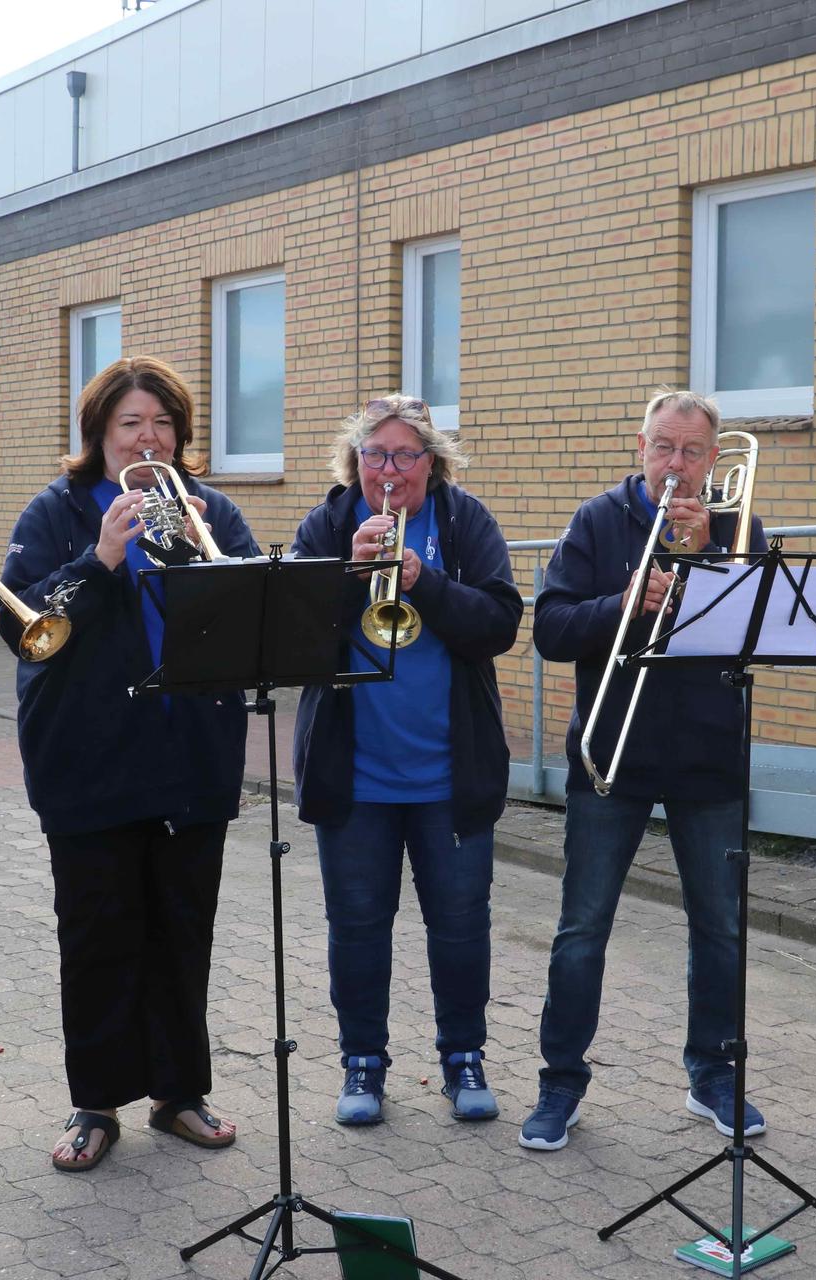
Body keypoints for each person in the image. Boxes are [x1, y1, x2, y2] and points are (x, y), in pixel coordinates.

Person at [0, 357, 260, 1172]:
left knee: (184, 934)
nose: (147, 438)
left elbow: (252, 612)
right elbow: (21, 624)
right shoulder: (58, 510)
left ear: (180, 434)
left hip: (190, 762)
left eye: (161, 424)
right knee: (98, 938)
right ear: (98, 435)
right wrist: (100, 560)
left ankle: (180, 1094)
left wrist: (195, 560)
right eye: (129, 425)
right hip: (90, 763)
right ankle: (96, 1104)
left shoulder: (210, 508)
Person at [520, 388, 763, 1152]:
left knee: (721, 930)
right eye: (664, 447)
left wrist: (706, 559)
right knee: (582, 929)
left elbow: (756, 634)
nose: (676, 467)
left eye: (692, 452)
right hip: (611, 758)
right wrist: (623, 602)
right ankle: (560, 1083)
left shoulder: (739, 525)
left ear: (713, 459)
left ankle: (714, 1076)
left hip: (708, 756)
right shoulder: (598, 520)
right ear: (640, 445)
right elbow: (552, 630)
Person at [290, 394, 522, 1126]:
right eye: (375, 456)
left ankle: (463, 1057)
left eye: (404, 457)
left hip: (449, 774)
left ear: (433, 463)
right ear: (354, 462)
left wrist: (427, 582)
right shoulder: (327, 525)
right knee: (357, 927)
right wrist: (343, 578)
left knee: (460, 925)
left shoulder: (465, 522)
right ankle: (363, 1064)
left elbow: (498, 625)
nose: (389, 472)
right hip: (356, 775)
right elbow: (291, 635)